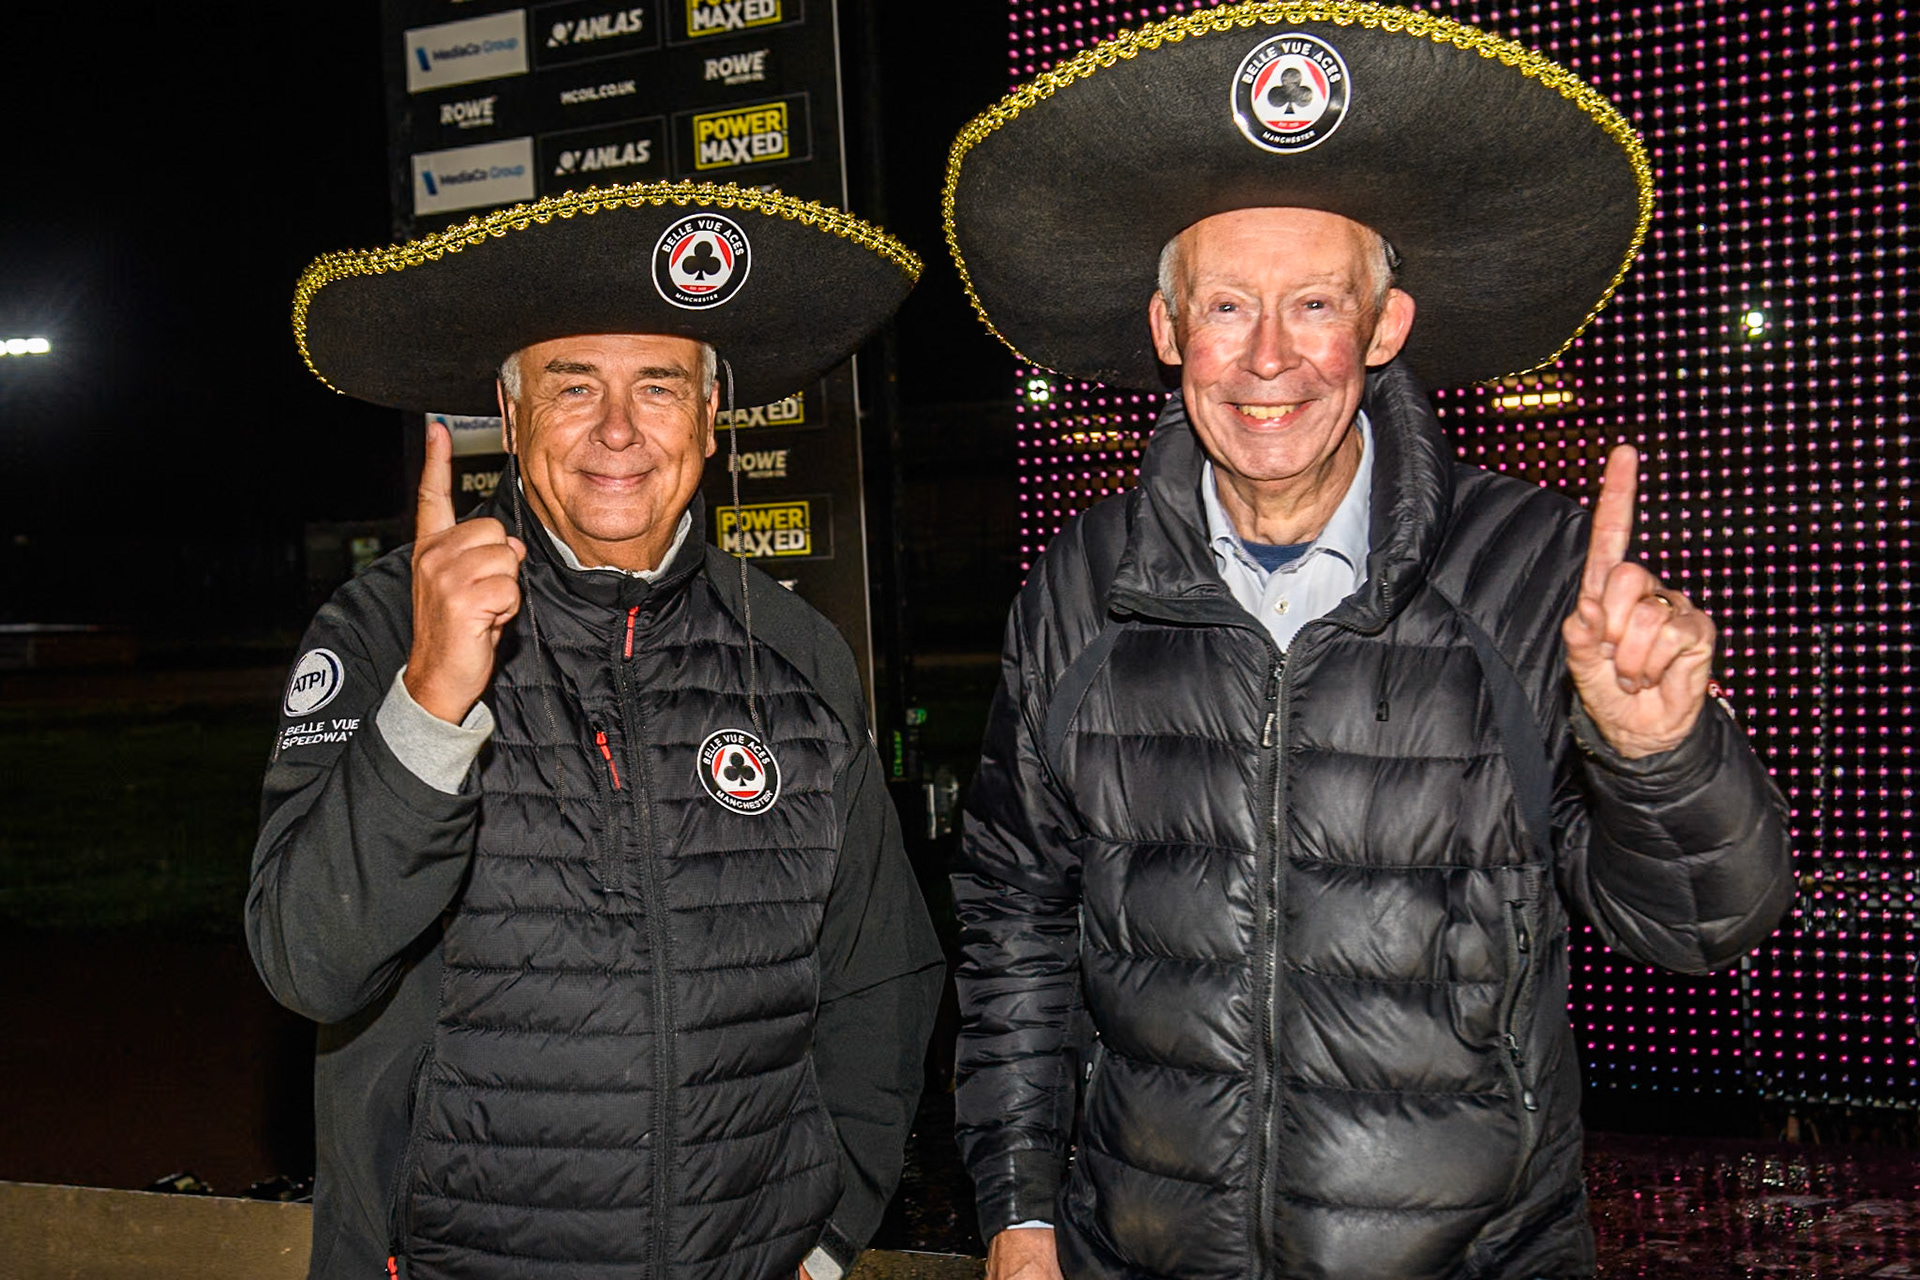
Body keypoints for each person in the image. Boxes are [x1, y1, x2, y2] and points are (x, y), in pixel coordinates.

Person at [941, 7, 1792, 1278]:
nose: (1270, 357)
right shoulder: (1081, 584)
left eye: (1315, 303)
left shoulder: (1529, 573)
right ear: (1169, 333)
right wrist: (1016, 1211)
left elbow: (1704, 925)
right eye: (1227, 306)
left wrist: (1659, 753)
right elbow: (1017, 916)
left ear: (1384, 327)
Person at [249, 182, 945, 1280]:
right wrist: (430, 698)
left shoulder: (800, 655)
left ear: (710, 420)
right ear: (511, 413)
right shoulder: (387, 625)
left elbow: (880, 975)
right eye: (573, 386)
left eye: (658, 385)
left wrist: (824, 1236)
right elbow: (308, 963)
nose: (618, 430)